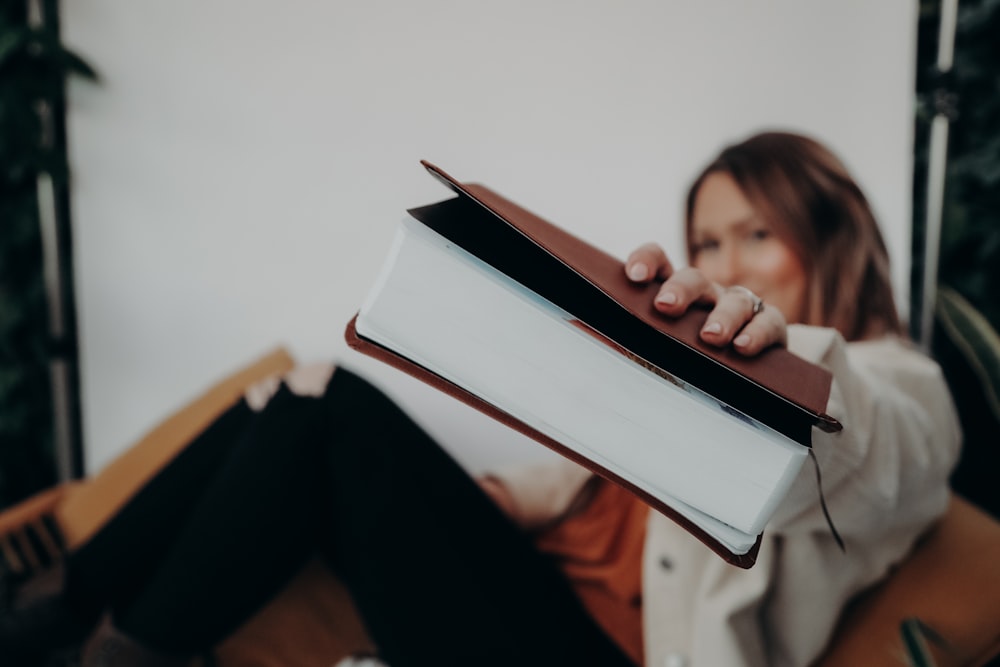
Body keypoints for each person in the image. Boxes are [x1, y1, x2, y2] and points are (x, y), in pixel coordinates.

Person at [0, 131, 960, 667]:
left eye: (757, 234)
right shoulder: (687, 380)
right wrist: (496, 494)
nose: (723, 264)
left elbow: (875, 459)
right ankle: (57, 611)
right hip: (516, 588)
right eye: (705, 243)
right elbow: (587, 482)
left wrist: (784, 371)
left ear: (831, 240)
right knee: (290, 400)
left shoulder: (895, 382)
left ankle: (68, 628)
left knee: (331, 407)